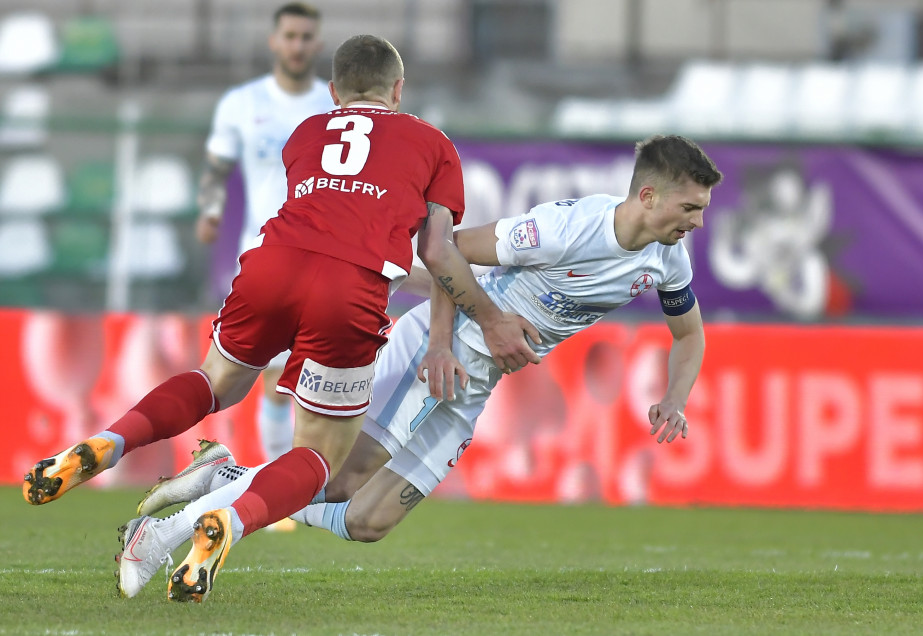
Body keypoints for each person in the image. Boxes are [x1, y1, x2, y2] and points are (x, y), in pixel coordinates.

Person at [23, 34, 542, 604]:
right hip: (349, 291)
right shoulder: (434, 144)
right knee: (320, 458)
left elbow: (328, 219)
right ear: (398, 89)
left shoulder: (306, 134)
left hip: (273, 265)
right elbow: (441, 253)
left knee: (212, 383)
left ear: (333, 91)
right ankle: (231, 521)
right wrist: (490, 316)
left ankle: (107, 441)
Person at [113, 134, 723, 598]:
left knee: (367, 520)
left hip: (476, 386)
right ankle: (162, 536)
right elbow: (443, 251)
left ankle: (225, 479)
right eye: (690, 208)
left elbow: (689, 333)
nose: (697, 221)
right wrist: (437, 344)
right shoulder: (566, 229)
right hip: (444, 354)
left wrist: (675, 397)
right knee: (340, 477)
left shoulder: (669, 259)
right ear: (648, 196)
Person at [197, 3, 335, 513]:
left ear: (317, 45)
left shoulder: (332, 104)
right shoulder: (241, 103)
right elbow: (217, 166)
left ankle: (282, 491)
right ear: (274, 41)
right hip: (262, 257)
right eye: (290, 36)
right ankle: (279, 498)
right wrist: (210, 211)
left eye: (306, 37)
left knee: (309, 383)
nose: (298, 45)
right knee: (275, 382)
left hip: (323, 258)